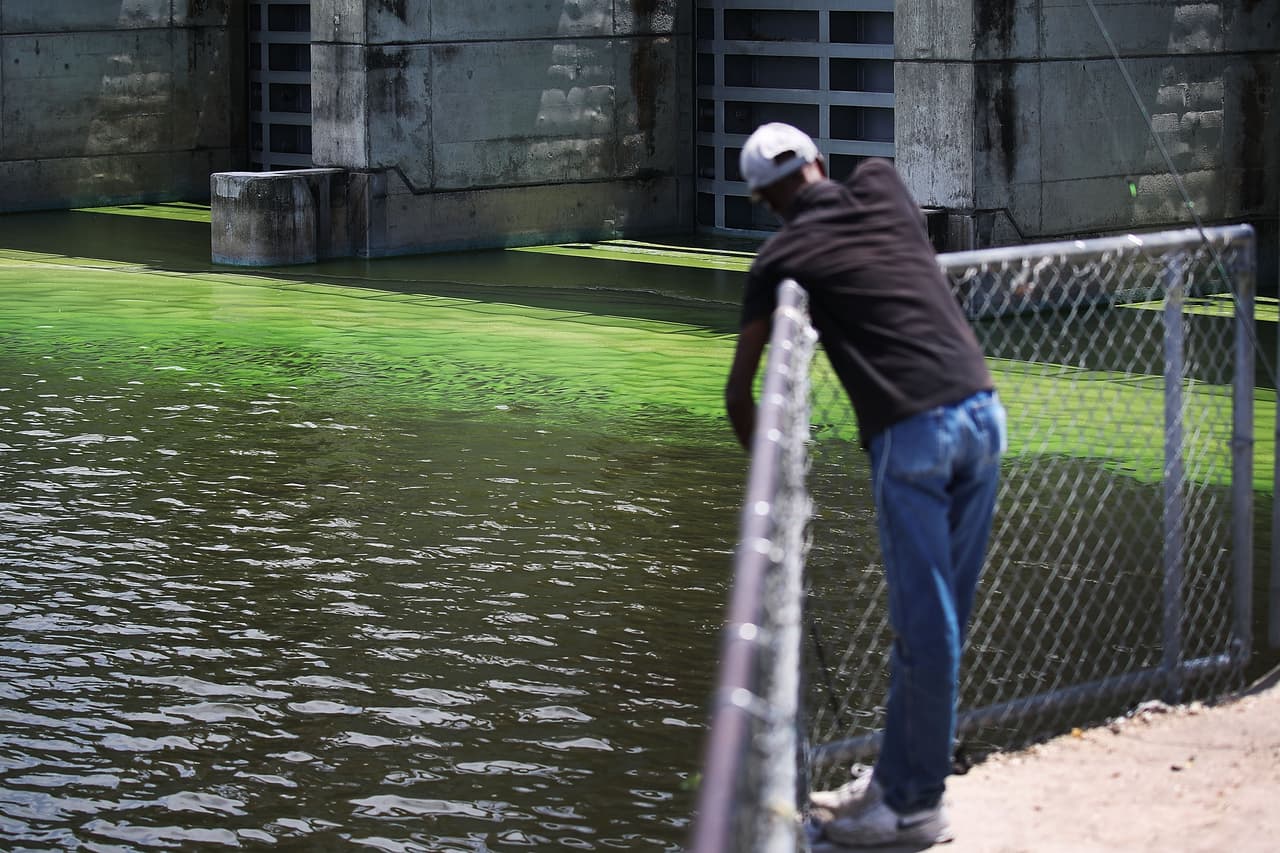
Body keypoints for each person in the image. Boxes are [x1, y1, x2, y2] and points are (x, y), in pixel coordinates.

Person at [724, 123, 1007, 848]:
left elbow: (739, 390)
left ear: (764, 201)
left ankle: (915, 807)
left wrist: (770, 486)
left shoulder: (780, 258)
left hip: (912, 434)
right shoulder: (880, 182)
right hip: (983, 412)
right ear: (819, 162)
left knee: (925, 628)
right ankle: (896, 781)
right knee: (940, 621)